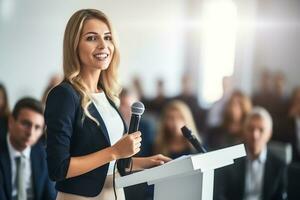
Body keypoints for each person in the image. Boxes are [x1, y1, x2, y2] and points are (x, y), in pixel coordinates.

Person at [44, 9, 170, 200]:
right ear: (74, 45)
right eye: (92, 38)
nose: (103, 45)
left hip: (114, 194)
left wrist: (146, 162)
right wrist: (114, 152)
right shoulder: (64, 95)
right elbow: (58, 168)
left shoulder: (107, 95)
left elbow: (107, 163)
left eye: (108, 37)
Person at [214, 107, 287, 200]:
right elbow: (220, 194)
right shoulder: (231, 160)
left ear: (269, 134)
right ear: (244, 130)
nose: (255, 135)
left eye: (261, 130)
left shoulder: (279, 165)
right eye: (251, 129)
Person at [0, 97, 56, 200]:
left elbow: (50, 195)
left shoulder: (44, 155)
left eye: (37, 127)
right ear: (11, 122)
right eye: (26, 124)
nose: (30, 133)